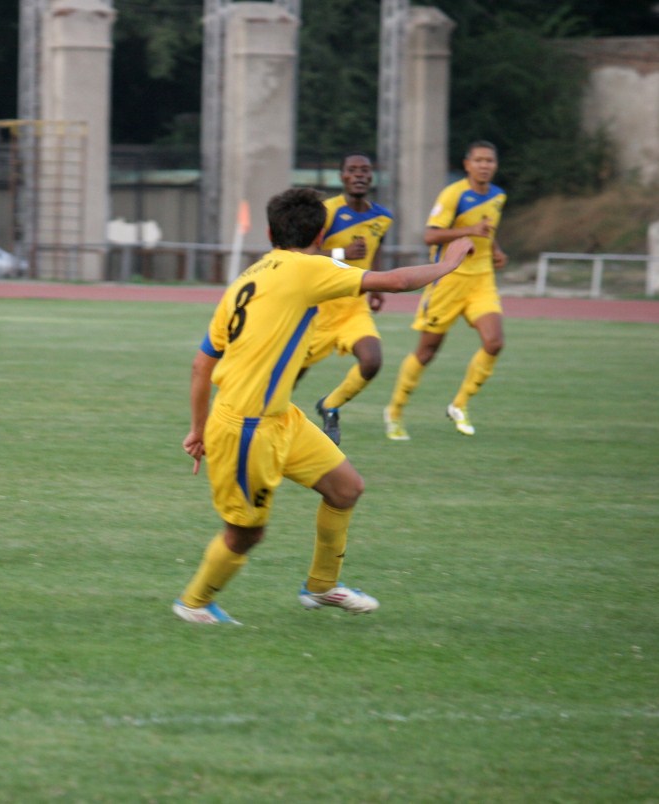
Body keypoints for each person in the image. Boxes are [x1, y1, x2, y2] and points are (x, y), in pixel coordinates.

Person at [172, 187, 473, 624]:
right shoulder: (308, 269)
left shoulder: (248, 276)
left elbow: (202, 364)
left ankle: (321, 586)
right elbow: (394, 281)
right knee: (245, 533)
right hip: (247, 426)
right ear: (320, 233)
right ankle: (194, 603)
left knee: (345, 488)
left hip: (279, 417)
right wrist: (449, 262)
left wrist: (198, 427)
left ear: (270, 232)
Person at [384, 140, 507, 440]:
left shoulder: (498, 196)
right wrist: (470, 231)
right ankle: (395, 411)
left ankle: (459, 404)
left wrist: (495, 249)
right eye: (478, 160)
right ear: (467, 165)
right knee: (427, 351)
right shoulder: (454, 195)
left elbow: (486, 230)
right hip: (448, 280)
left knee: (494, 342)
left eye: (489, 160)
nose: (484, 165)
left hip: (481, 280)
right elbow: (430, 236)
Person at [298, 153, 394, 445]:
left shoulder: (382, 217)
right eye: (352, 170)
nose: (359, 175)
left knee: (372, 361)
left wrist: (376, 286)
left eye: (365, 170)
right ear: (342, 177)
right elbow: (302, 253)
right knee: (289, 377)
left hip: (354, 308)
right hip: (318, 310)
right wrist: (343, 253)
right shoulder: (327, 212)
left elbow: (375, 249)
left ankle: (330, 405)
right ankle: (260, 421)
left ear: (372, 176)